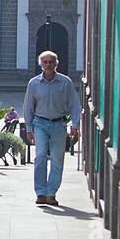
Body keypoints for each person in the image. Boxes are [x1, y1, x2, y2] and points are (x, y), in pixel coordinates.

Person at [20, 50, 82, 207]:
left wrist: (75, 125)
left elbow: (75, 104)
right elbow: (28, 107)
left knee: (57, 159)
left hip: (59, 124)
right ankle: (40, 192)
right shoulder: (33, 83)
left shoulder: (65, 82)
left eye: (51, 62)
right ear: (40, 64)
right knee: (40, 157)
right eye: (45, 62)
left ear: (56, 64)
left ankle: (51, 193)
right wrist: (28, 129)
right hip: (40, 123)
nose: (48, 65)